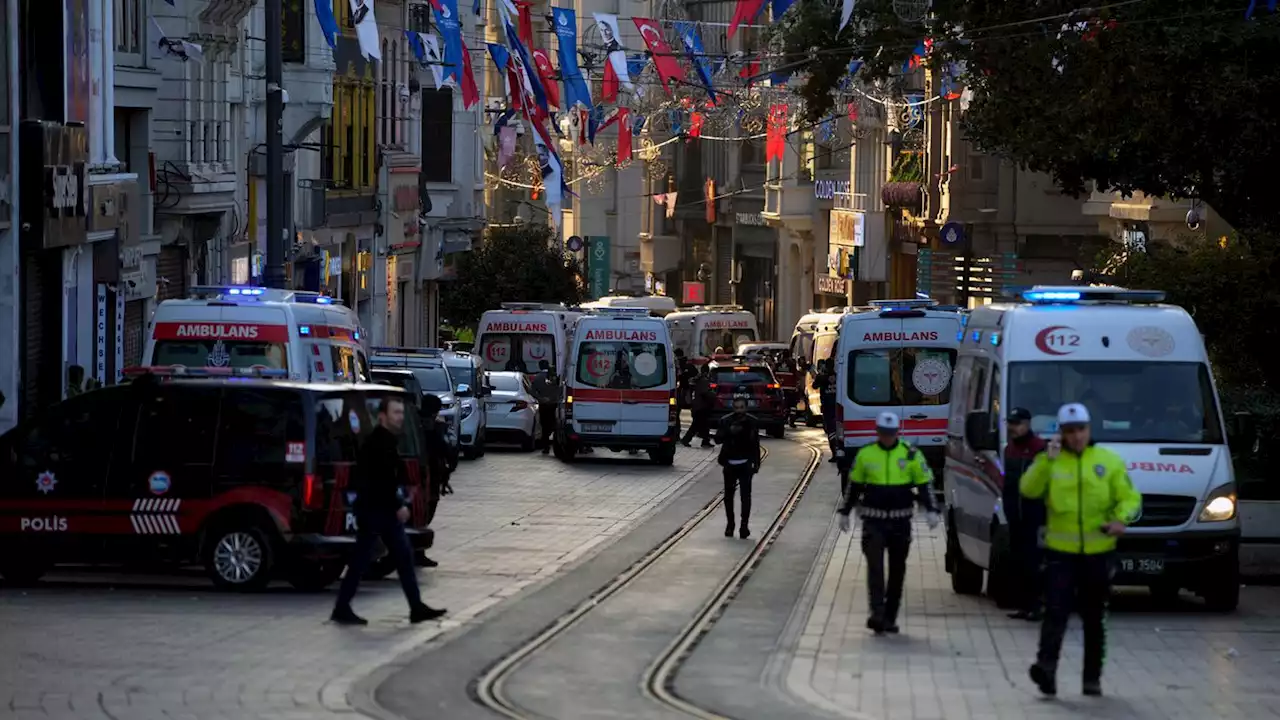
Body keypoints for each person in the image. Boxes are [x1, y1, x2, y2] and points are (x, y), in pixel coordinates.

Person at [1021, 403, 1141, 698]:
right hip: (1061, 553)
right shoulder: (1049, 461)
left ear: (1089, 429)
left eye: (1081, 430)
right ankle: (1045, 670)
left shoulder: (1108, 461)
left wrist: (1120, 519)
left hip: (1098, 553)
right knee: (1056, 613)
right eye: (1070, 431)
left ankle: (1092, 678)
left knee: (1094, 617)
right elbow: (1028, 489)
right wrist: (1046, 461)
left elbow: (1130, 498)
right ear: (1060, 433)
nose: (1076, 437)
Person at [332, 397, 447, 626]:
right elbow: (381, 481)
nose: (400, 417)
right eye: (396, 413)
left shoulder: (388, 441)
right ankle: (342, 608)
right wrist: (399, 506)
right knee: (362, 560)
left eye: (401, 413)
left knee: (401, 558)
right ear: (383, 416)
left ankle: (415, 607)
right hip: (375, 511)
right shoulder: (378, 443)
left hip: (380, 511)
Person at [837, 411, 939, 635]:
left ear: (897, 433)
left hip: (901, 521)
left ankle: (890, 616)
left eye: (891, 434)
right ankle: (877, 613)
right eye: (884, 433)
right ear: (878, 432)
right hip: (874, 521)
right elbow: (854, 486)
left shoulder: (911, 454)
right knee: (875, 568)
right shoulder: (866, 454)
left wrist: (932, 509)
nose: (887, 438)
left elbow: (925, 484)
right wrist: (845, 511)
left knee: (897, 570)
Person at [1003, 407, 1047, 621]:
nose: (1013, 427)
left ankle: (1036, 605)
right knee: (1018, 561)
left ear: (1028, 424)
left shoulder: (1040, 448)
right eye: (1011, 423)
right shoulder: (1009, 449)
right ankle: (1023, 605)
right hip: (1015, 515)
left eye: (1017, 423)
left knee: (1034, 562)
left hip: (1035, 515)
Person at [716, 391, 760, 538]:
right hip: (729, 463)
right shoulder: (726, 421)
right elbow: (717, 439)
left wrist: (756, 463)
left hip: (745, 464)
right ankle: (730, 524)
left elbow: (755, 444)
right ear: (733, 408)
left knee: (745, 496)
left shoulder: (752, 422)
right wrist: (729, 432)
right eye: (736, 408)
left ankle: (744, 526)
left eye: (741, 408)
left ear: (746, 408)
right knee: (728, 496)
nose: (739, 411)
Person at [418, 393, 452, 569]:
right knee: (425, 513)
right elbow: (447, 450)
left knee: (422, 513)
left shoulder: (412, 423)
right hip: (428, 475)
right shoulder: (434, 427)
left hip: (420, 475)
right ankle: (417, 551)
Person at [681, 364, 714, 448]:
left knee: (704, 424)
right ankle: (686, 439)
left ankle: (705, 441)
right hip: (701, 406)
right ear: (707, 372)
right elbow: (705, 393)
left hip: (697, 406)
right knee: (696, 425)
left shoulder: (698, 379)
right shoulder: (704, 380)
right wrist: (713, 395)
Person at [531, 359, 559, 454]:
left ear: (539, 366)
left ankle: (546, 447)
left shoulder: (537, 377)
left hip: (543, 404)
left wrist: (541, 398)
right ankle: (557, 445)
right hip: (554, 404)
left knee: (544, 426)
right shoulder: (555, 377)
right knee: (555, 424)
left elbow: (532, 391)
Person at [814, 360, 839, 463]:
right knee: (838, 430)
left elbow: (814, 386)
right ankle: (840, 451)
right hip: (839, 406)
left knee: (830, 431)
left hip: (827, 407)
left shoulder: (821, 377)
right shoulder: (839, 376)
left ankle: (835, 453)